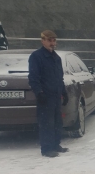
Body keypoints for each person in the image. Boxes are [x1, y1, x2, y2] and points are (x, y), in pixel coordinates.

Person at [28, 30, 69, 158]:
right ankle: (46, 148)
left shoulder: (56, 58)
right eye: (49, 40)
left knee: (57, 122)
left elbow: (59, 77)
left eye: (54, 40)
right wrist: (39, 93)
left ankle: (56, 144)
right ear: (43, 41)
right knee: (46, 123)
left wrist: (63, 92)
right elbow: (33, 77)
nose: (52, 43)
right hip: (45, 96)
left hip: (56, 96)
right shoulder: (36, 56)